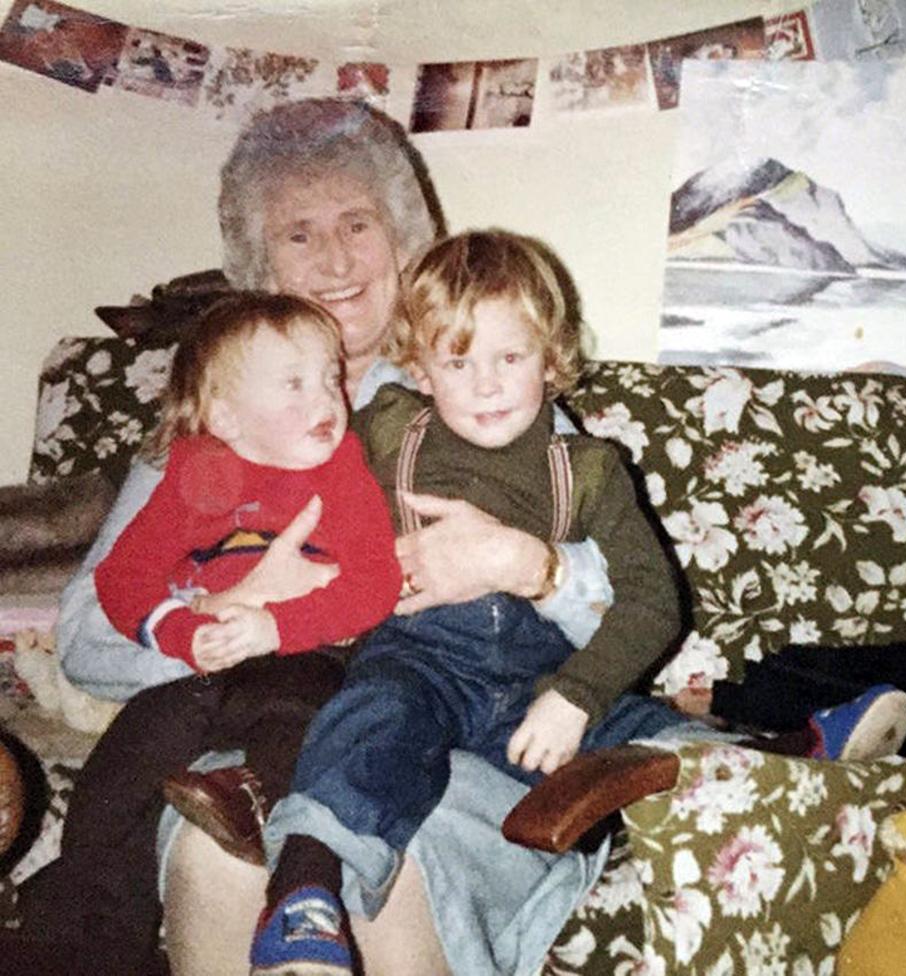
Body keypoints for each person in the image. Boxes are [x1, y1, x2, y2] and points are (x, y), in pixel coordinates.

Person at [17, 98, 617, 976]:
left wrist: (526, 565)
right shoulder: (223, 416)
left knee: (401, 858)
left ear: (402, 239)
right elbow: (85, 639)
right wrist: (230, 608)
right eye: (298, 235)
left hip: (462, 735)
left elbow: (616, 600)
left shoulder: (480, 382)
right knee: (223, 843)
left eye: (356, 224)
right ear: (259, 261)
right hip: (266, 734)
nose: (334, 260)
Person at [245, 228, 691, 974]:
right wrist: (271, 568)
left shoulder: (586, 470)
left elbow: (654, 602)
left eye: (509, 359)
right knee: (369, 718)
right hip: (420, 658)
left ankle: (795, 751)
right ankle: (303, 894)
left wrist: (576, 697)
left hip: (543, 677)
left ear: (551, 360)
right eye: (458, 361)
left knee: (654, 733)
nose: (485, 385)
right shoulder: (390, 428)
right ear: (418, 369)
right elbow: (291, 476)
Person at [89, 291, 400, 870]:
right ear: (226, 417)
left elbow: (375, 583)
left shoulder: (343, 473)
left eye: (330, 379)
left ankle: (263, 822)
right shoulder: (196, 471)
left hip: (308, 660)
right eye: (294, 384)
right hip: (207, 669)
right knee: (123, 767)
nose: (326, 398)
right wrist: (182, 630)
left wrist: (275, 626)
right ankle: (81, 918)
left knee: (298, 719)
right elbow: (122, 576)